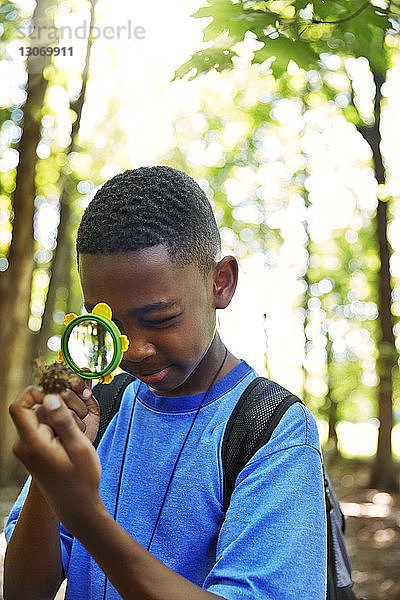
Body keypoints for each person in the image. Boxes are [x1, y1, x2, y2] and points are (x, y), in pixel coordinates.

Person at [4, 166, 327, 600]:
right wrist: (49, 481)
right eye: (110, 325)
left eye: (161, 319)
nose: (135, 350)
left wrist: (86, 517)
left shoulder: (270, 431)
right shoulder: (100, 411)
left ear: (221, 283)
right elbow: (22, 590)